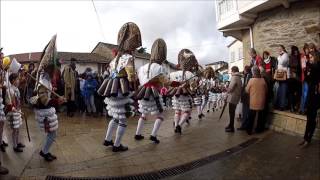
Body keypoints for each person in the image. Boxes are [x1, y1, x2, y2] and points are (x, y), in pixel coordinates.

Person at [100, 22, 141, 152]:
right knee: (122, 119)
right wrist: (134, 77)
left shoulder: (114, 60)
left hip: (111, 89)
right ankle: (117, 145)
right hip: (121, 90)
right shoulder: (128, 58)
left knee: (115, 117)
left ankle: (108, 139)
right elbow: (130, 76)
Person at [30, 35, 65, 161]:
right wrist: (58, 100)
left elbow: (46, 93)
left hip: (46, 109)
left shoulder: (47, 79)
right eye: (55, 69)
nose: (56, 71)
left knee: (51, 133)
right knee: (52, 133)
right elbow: (44, 100)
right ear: (50, 69)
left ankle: (45, 151)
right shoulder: (44, 81)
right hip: (44, 110)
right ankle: (44, 152)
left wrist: (53, 91)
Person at [134, 38, 168, 144]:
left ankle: (138, 134)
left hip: (143, 93)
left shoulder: (142, 67)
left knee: (144, 114)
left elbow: (140, 80)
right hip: (154, 94)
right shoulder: (160, 68)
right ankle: (153, 135)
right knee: (161, 115)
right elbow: (164, 83)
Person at [169, 49, 199, 134]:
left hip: (175, 95)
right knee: (186, 111)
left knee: (177, 111)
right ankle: (179, 125)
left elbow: (170, 85)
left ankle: (176, 126)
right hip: (185, 96)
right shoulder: (191, 74)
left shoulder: (172, 74)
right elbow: (193, 88)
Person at [299, 51, 320, 147]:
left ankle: (309, 139)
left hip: (316, 95)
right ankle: (305, 138)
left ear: (315, 57)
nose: (310, 59)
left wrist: (307, 64)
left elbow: (315, 70)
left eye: (311, 57)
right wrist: (305, 70)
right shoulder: (310, 66)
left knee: (312, 118)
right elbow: (307, 79)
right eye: (309, 57)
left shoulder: (317, 66)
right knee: (308, 118)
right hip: (310, 94)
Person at [5, 73, 25, 152]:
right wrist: (12, 107)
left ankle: (17, 142)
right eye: (17, 79)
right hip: (13, 112)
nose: (19, 80)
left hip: (18, 111)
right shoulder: (10, 90)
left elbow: (18, 100)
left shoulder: (16, 89)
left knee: (18, 128)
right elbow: (8, 102)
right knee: (15, 129)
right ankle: (15, 146)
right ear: (13, 81)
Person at [245, 66, 268, 135]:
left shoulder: (251, 80)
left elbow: (246, 90)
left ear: (253, 73)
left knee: (251, 117)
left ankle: (249, 130)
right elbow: (266, 90)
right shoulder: (263, 80)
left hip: (253, 101)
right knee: (260, 117)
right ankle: (259, 129)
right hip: (261, 101)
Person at [225, 66, 242, 133]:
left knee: (231, 112)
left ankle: (231, 127)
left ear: (233, 71)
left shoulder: (234, 77)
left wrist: (227, 89)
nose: (231, 72)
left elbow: (231, 88)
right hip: (235, 96)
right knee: (231, 112)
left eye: (231, 71)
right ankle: (230, 125)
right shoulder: (238, 77)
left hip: (233, 97)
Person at [275, 45, 289, 111]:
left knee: (283, 90)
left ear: (283, 49)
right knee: (280, 90)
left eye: (280, 48)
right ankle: (279, 104)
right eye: (278, 48)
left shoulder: (285, 55)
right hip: (280, 74)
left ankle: (282, 106)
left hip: (284, 74)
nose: (279, 50)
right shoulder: (280, 55)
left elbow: (282, 62)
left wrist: (280, 55)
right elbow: (278, 64)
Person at [288, 46, 301, 112]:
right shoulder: (291, 57)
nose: (296, 51)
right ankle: (292, 107)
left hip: (297, 78)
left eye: (297, 50)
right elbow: (290, 65)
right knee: (291, 93)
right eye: (295, 50)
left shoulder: (298, 57)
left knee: (297, 93)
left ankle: (295, 106)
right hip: (292, 78)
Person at [238, 66, 252, 130]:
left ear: (246, 70)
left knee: (246, 111)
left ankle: (245, 125)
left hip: (247, 96)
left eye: (244, 69)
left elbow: (246, 86)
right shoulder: (246, 76)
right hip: (245, 96)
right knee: (245, 111)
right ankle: (244, 125)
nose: (243, 71)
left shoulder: (250, 76)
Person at [299, 44, 310, 114]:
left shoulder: (310, 56)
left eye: (308, 49)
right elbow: (303, 67)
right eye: (306, 49)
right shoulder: (303, 56)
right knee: (304, 94)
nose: (307, 50)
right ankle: (303, 109)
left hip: (309, 77)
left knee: (305, 93)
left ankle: (302, 109)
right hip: (305, 77)